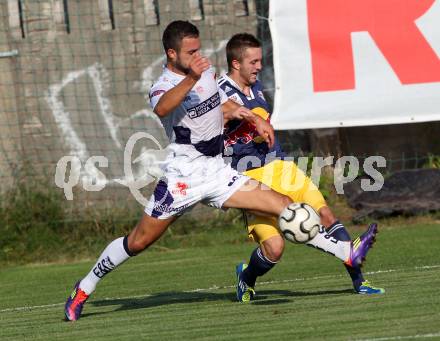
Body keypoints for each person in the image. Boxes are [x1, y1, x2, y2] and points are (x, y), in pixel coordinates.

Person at [64, 21, 378, 321]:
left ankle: (345, 252)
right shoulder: (164, 85)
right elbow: (163, 108)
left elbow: (219, 105)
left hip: (215, 172)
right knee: (138, 242)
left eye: (198, 50)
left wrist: (250, 116)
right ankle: (84, 287)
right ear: (172, 55)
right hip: (182, 179)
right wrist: (192, 78)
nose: (198, 57)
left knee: (283, 204)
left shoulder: (204, 72)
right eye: (190, 52)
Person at [217, 33, 385, 300]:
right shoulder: (219, 91)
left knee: (326, 215)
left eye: (260, 61)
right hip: (247, 177)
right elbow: (217, 117)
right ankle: (246, 277)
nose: (259, 67)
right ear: (236, 63)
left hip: (281, 167)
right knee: (274, 248)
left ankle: (359, 281)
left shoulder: (256, 87)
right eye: (254, 62)